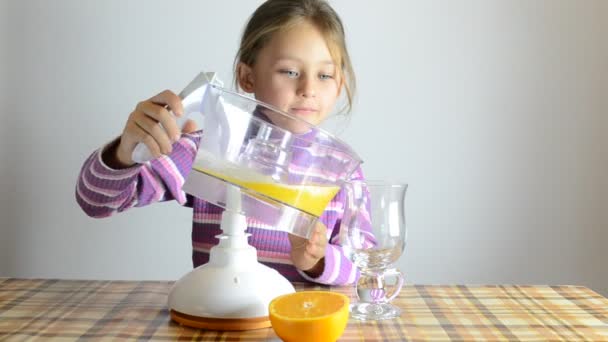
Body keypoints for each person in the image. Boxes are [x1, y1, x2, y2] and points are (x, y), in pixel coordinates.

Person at [75, 0, 371, 285]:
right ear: (247, 77)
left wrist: (319, 260)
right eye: (290, 71)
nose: (308, 88)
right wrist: (127, 151)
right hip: (222, 327)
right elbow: (95, 202)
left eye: (324, 75)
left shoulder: (342, 175)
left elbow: (369, 268)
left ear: (340, 84)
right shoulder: (213, 151)